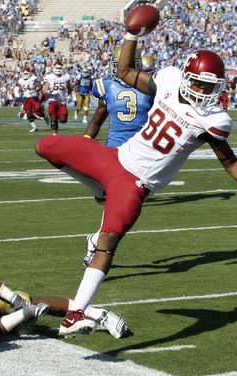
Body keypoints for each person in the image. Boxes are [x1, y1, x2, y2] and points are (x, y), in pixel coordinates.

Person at [35, 23, 237, 336]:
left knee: (107, 242)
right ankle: (99, 190)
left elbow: (228, 160)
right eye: (197, 84)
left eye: (208, 87)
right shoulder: (168, 82)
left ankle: (76, 313)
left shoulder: (213, 120)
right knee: (46, 146)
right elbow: (127, 71)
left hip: (134, 184)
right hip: (114, 158)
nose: (202, 92)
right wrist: (131, 34)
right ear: (185, 76)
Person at [82, 48, 154, 266]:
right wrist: (85, 141)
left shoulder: (151, 88)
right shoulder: (106, 86)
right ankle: (97, 245)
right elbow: (98, 118)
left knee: (127, 205)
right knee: (113, 201)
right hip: (114, 151)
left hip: (140, 152)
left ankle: (96, 240)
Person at [43, 61, 72, 135]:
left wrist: (69, 96)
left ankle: (57, 119)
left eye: (60, 68)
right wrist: (48, 91)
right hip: (52, 100)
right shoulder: (50, 77)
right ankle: (54, 134)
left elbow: (69, 87)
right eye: (57, 68)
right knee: (53, 116)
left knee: (63, 119)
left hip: (62, 101)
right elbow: (45, 89)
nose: (58, 69)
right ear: (54, 68)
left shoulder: (66, 76)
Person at [18, 68, 49, 133]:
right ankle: (34, 127)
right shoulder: (20, 81)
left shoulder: (33, 79)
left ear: (29, 73)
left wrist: (35, 91)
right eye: (24, 73)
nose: (25, 75)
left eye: (26, 73)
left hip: (33, 98)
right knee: (28, 113)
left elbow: (40, 86)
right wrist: (21, 90)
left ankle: (45, 117)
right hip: (26, 98)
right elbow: (22, 88)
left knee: (38, 111)